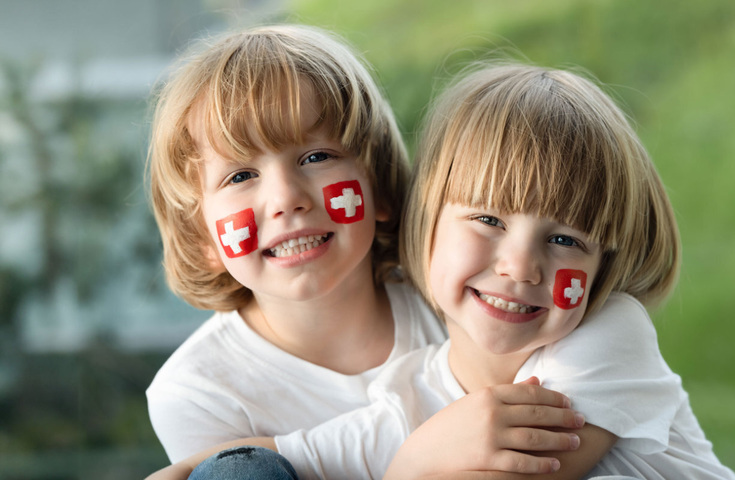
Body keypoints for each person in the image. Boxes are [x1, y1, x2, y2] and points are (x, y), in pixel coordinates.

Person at [158, 62, 735, 479]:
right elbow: (314, 451)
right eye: (488, 219)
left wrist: (414, 465)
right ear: (429, 225)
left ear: (386, 192)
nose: (518, 266)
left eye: (564, 239)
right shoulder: (409, 392)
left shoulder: (608, 334)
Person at [145, 24, 581, 472]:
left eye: (316, 157)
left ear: (379, 184)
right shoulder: (198, 394)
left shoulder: (463, 299)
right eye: (240, 176)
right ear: (202, 238)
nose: (285, 198)